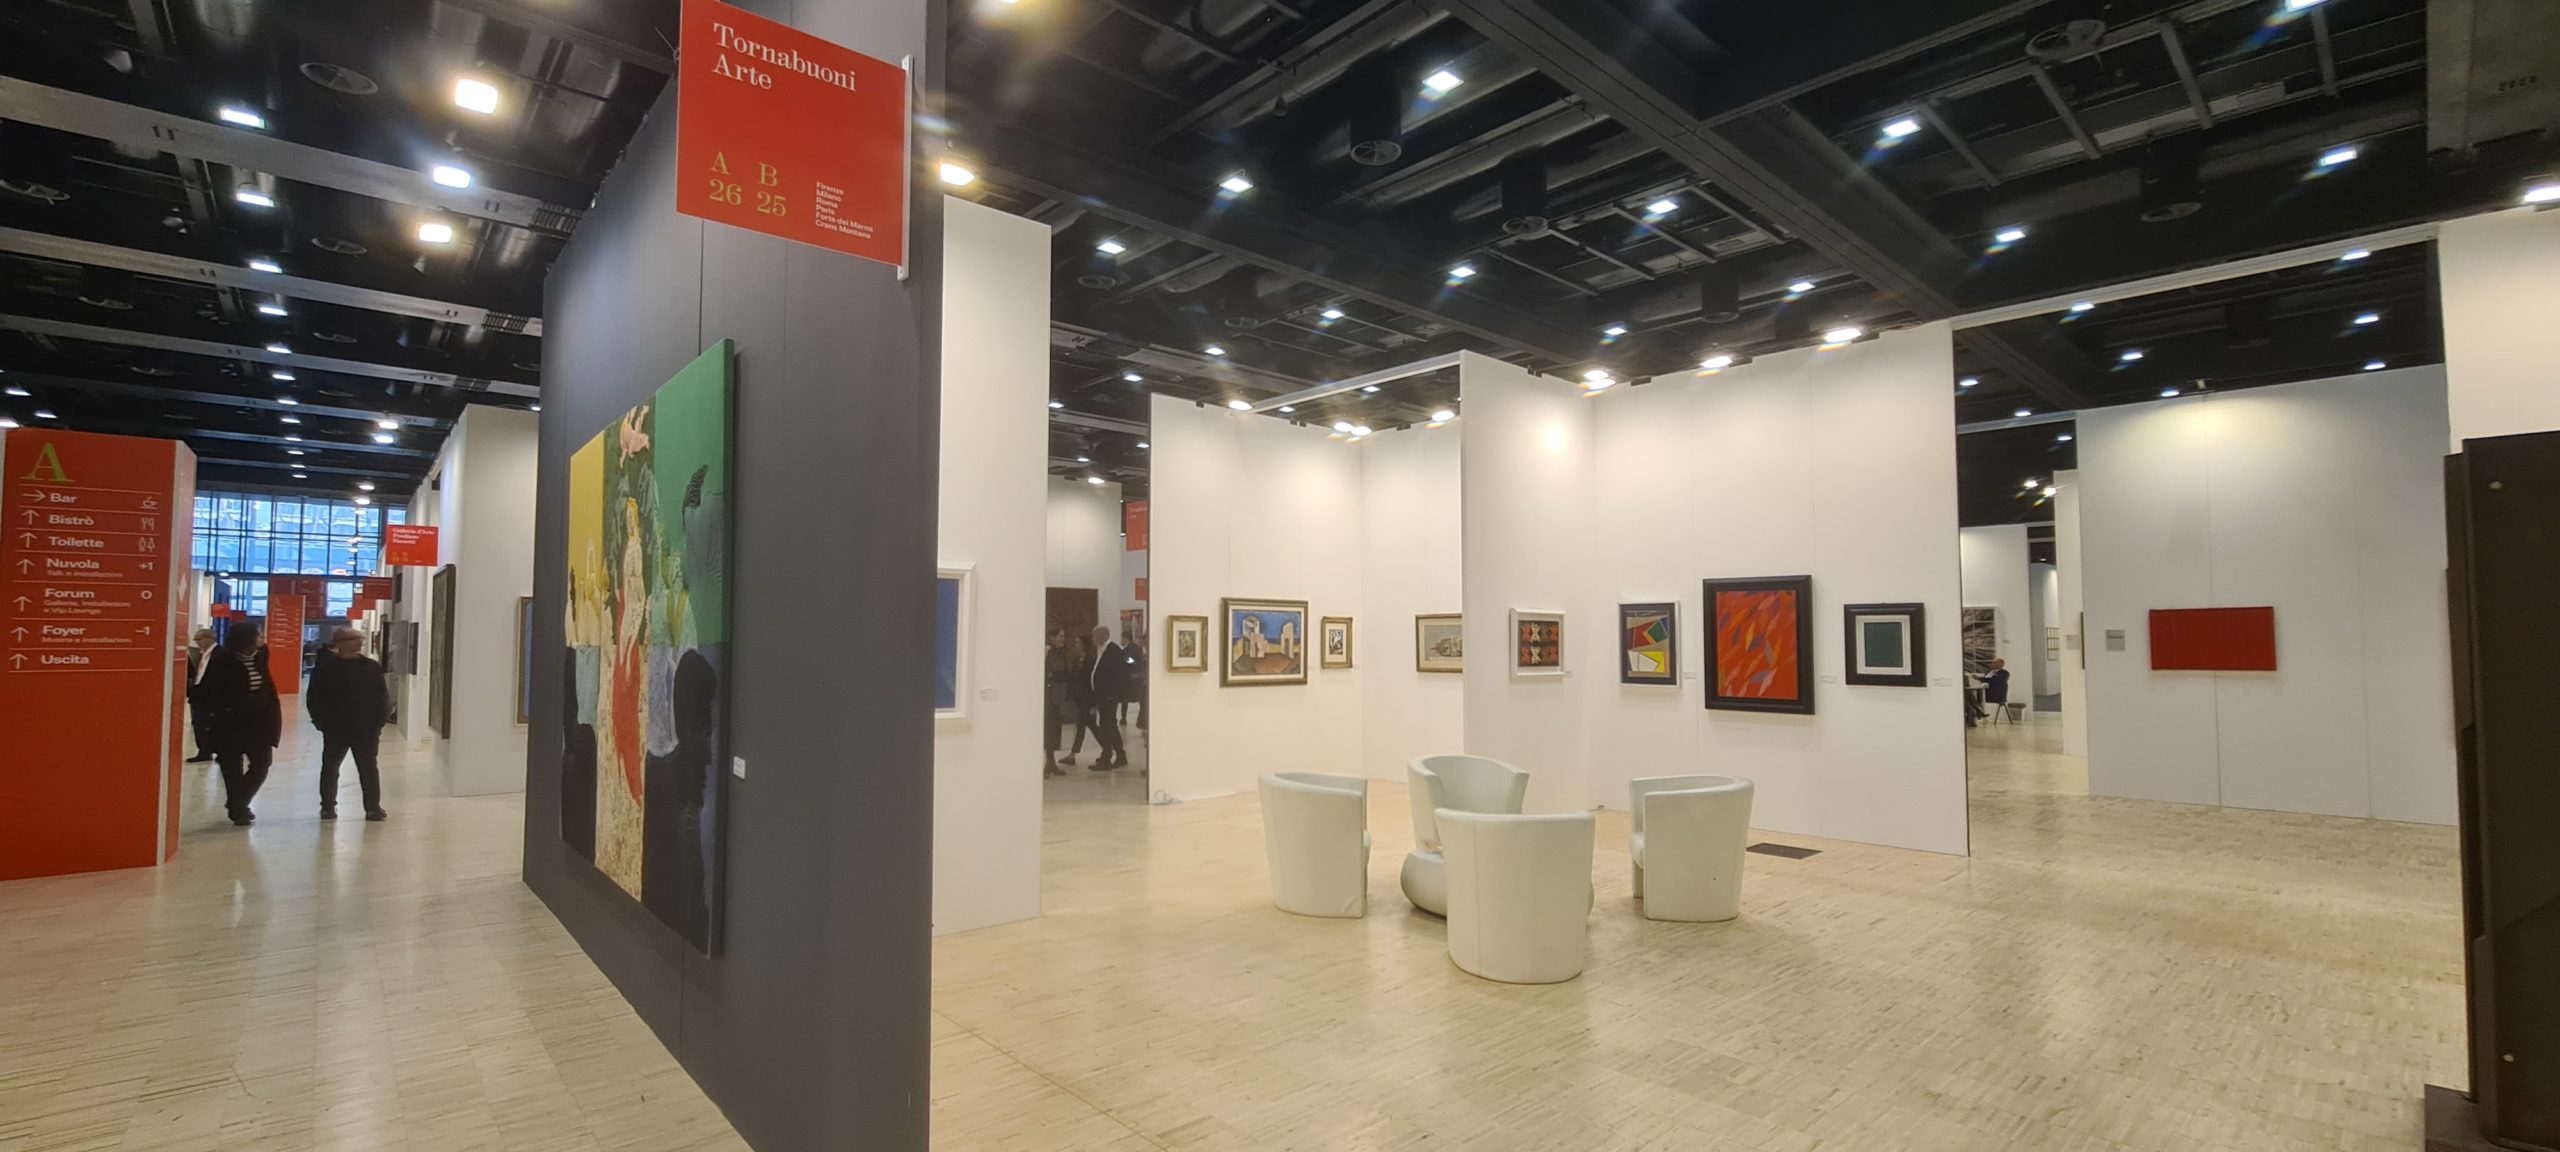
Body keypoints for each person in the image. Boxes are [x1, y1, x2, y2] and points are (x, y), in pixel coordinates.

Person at [195, 625, 280, 826]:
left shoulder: (260, 657)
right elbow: (208, 693)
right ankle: (239, 809)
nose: (261, 638)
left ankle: (237, 801)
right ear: (246, 639)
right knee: (231, 766)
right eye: (257, 635)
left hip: (258, 722)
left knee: (262, 763)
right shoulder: (221, 661)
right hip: (229, 723)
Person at [306, 626, 390, 821]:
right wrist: (321, 722)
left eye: (360, 637)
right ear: (340, 643)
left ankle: (373, 807)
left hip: (366, 728)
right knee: (330, 767)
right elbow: (315, 698)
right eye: (354, 638)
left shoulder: (371, 667)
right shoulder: (325, 668)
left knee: (368, 768)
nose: (360, 641)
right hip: (336, 727)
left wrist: (379, 721)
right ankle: (328, 807)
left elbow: (381, 696)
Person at [1082, 625, 1129, 770]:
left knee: (1108, 725)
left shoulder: (1113, 651)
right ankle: (1113, 754)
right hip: (1103, 696)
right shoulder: (1102, 650)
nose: (1092, 638)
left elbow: (1118, 674)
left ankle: (1111, 755)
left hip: (1109, 696)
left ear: (1104, 635)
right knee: (1107, 725)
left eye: (1095, 635)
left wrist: (1112, 694)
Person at [184, 628, 217, 763]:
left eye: (198, 639)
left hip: (209, 697)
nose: (196, 642)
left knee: (207, 725)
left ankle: (209, 751)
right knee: (199, 724)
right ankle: (204, 751)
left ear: (208, 639)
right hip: (198, 695)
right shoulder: (199, 654)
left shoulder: (219, 655)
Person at [1042, 627, 1070, 777]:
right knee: (1048, 730)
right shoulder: (1048, 652)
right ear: (1051, 637)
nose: (1062, 639)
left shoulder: (1061, 653)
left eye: (1063, 636)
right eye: (1060, 636)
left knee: (1055, 730)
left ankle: (1051, 762)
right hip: (1049, 698)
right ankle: (1049, 762)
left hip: (1058, 697)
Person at [1982, 658, 2012, 723]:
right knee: (1971, 696)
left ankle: (1980, 715)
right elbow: (1985, 680)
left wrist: (1980, 679)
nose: (1992, 664)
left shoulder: (2005, 673)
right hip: (1985, 693)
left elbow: (1995, 680)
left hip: (1997, 696)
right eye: (1992, 663)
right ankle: (1978, 716)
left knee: (1975, 697)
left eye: (1994, 663)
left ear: (2001, 664)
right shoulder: (1988, 672)